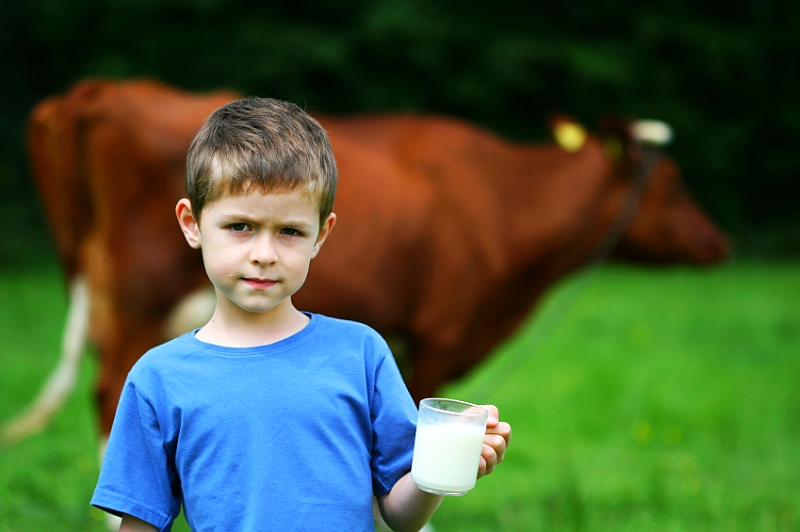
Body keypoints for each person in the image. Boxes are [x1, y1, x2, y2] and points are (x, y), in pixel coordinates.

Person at [91, 97, 512, 532]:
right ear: (192, 223)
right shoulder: (157, 378)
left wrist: (440, 466)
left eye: (290, 232)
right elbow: (138, 524)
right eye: (240, 226)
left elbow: (400, 515)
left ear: (321, 235)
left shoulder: (362, 354)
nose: (264, 255)